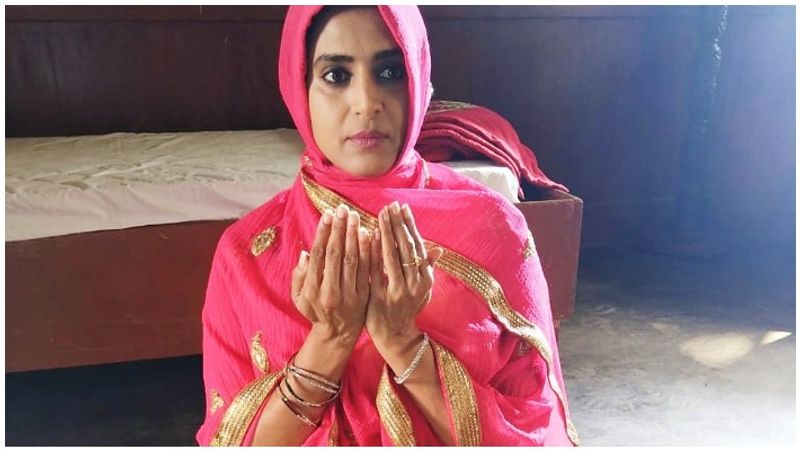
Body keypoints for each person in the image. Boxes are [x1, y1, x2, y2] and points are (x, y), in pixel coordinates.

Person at [196, 5, 580, 446]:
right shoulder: (246, 254)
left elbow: (531, 431)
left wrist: (402, 344)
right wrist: (330, 341)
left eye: (390, 72)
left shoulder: (494, 228)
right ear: (299, 88)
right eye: (336, 76)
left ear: (416, 79)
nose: (366, 104)